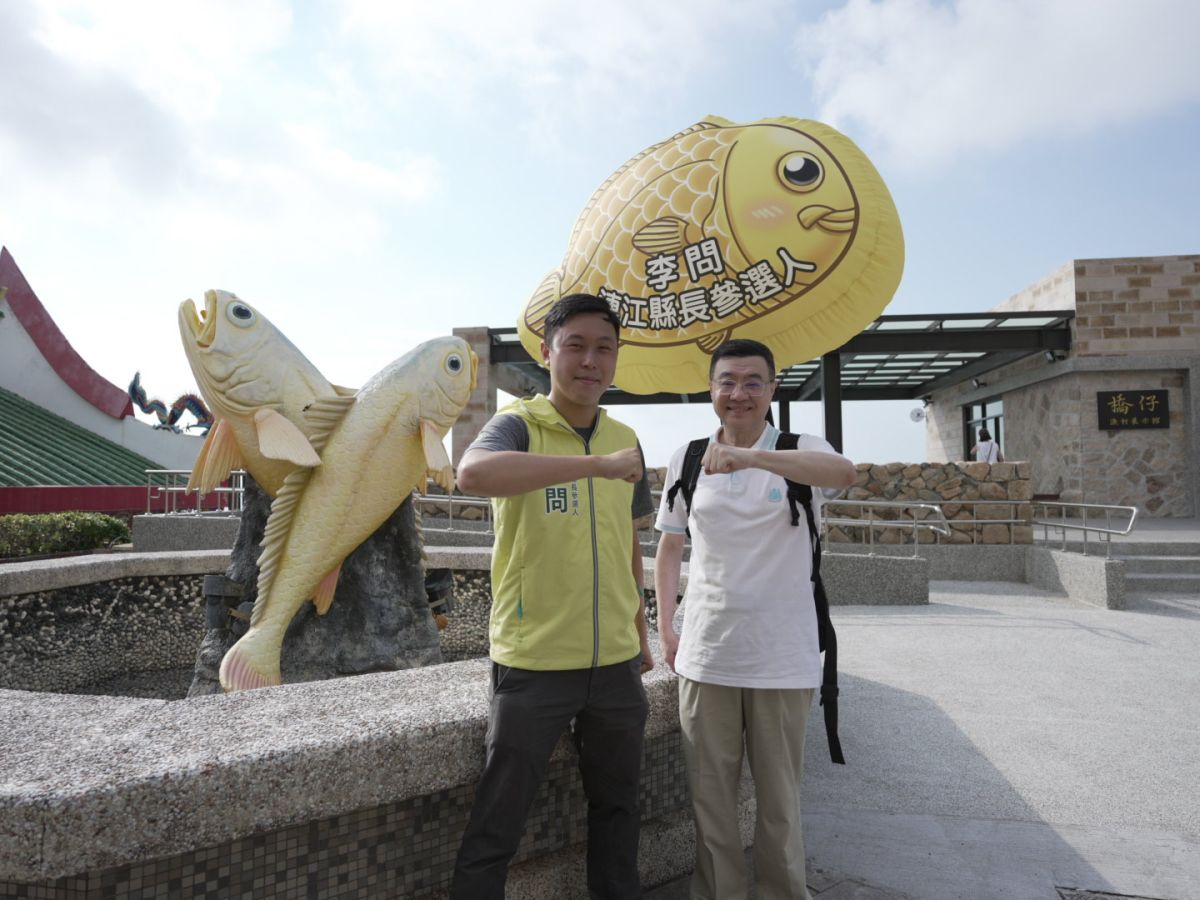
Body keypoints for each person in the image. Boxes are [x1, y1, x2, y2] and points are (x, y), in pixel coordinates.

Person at [450, 293, 655, 899]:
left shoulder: (624, 436)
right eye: (576, 346)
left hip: (616, 664)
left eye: (604, 349)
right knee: (497, 823)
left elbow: (627, 542)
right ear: (548, 353)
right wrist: (593, 468)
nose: (590, 361)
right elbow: (473, 474)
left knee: (619, 812)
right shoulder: (518, 425)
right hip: (533, 662)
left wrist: (640, 635)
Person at [654, 338, 856, 900]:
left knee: (780, 805)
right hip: (706, 655)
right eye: (727, 382)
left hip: (782, 658)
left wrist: (751, 457)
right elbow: (670, 548)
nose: (737, 393)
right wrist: (668, 629)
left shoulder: (796, 447)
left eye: (752, 382)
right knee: (710, 801)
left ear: (772, 389)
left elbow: (844, 472)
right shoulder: (688, 457)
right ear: (711, 389)